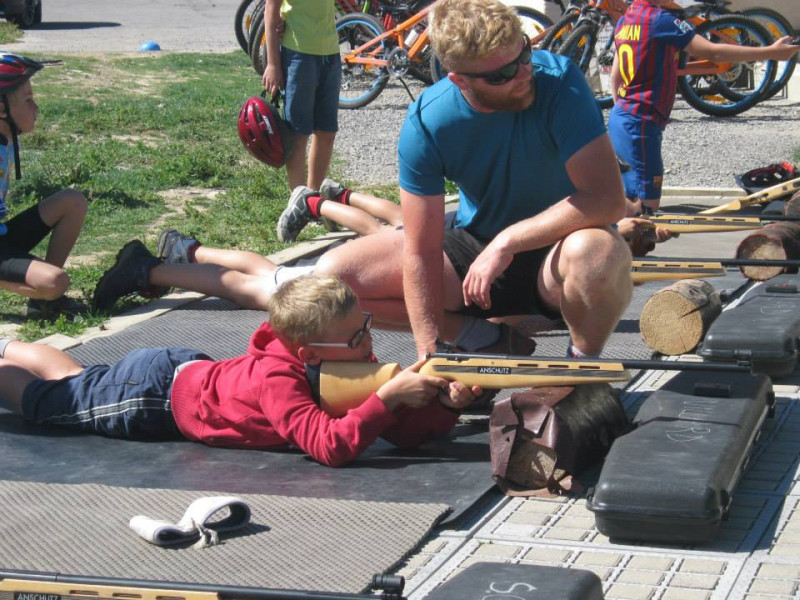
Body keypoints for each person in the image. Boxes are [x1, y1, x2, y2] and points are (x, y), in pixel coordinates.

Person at [308, 0, 633, 360]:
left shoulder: (558, 82)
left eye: (524, 54)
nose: (524, 73)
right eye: (502, 74)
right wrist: (430, 353)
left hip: (558, 251)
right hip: (475, 253)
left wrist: (507, 242)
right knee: (333, 278)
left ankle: (580, 371)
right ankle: (476, 335)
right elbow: (421, 252)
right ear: (458, 79)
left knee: (598, 252)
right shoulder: (428, 121)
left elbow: (607, 200)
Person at [4, 274, 479, 467]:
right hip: (154, 396)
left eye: (367, 329)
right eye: (358, 338)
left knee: (77, 381)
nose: (370, 345)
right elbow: (329, 446)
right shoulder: (278, 378)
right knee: (48, 402)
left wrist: (443, 407)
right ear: (309, 353)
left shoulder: (343, 361)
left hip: (179, 370)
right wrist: (388, 397)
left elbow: (400, 434)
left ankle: (10, 345)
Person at [91, 179, 401, 312]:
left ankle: (186, 252)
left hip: (367, 265)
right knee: (251, 286)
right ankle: (149, 270)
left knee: (269, 273)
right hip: (350, 276)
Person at [608, 0, 800, 215]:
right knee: (644, 212)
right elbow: (713, 53)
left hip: (623, 119)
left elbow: (615, 80)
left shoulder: (625, 20)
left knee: (631, 200)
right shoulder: (660, 20)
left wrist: (629, 114)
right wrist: (772, 53)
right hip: (640, 124)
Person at [0, 53, 88, 319]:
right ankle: (45, 293)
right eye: (28, 101)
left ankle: (41, 303)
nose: (36, 108)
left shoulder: (6, 136)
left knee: (72, 201)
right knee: (55, 282)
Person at [262, 0, 341, 194]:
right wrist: (273, 64)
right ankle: (298, 200)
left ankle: (313, 200)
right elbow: (271, 8)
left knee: (326, 132)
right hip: (298, 54)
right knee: (298, 134)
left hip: (330, 53)